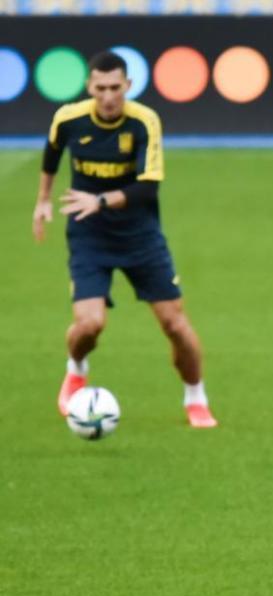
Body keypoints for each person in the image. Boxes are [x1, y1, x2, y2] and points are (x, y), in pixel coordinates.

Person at [32, 51, 217, 429]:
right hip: (89, 234)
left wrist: (99, 200)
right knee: (89, 325)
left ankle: (196, 397)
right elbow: (52, 154)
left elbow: (148, 187)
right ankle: (76, 369)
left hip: (140, 236)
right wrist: (43, 200)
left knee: (175, 324)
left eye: (115, 88)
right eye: (100, 88)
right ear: (89, 87)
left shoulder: (144, 121)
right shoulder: (69, 119)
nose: (108, 96)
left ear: (128, 86)